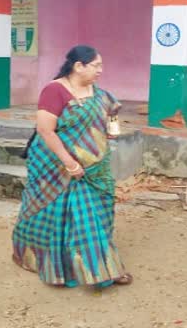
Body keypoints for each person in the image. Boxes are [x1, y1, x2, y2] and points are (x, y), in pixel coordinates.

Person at [11, 45, 132, 288]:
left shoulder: (97, 92)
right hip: (56, 166)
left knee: (98, 212)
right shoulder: (54, 90)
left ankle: (82, 262)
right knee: (72, 216)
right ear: (79, 66)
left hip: (96, 167)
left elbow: (109, 117)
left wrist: (107, 133)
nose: (101, 70)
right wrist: (70, 163)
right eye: (96, 65)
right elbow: (45, 130)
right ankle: (99, 269)